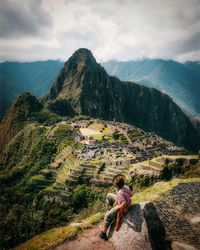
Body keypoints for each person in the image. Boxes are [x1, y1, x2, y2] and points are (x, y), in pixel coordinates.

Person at [99, 174, 133, 241]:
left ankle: (103, 233)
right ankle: (110, 208)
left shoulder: (120, 193)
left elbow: (124, 204)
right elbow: (131, 195)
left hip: (123, 207)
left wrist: (118, 207)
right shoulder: (126, 187)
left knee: (107, 216)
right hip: (123, 201)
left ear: (116, 186)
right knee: (109, 195)